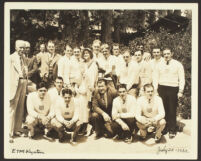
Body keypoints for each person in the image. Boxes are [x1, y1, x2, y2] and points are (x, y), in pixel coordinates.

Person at [153, 47, 185, 138]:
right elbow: (155, 78)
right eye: (165, 54)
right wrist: (155, 90)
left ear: (172, 53)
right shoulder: (159, 65)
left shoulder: (178, 64)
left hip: (173, 88)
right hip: (162, 88)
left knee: (172, 109)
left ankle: (172, 129)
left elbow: (182, 78)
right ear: (163, 55)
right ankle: (165, 128)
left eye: (168, 53)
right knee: (163, 109)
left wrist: (180, 91)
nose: (166, 56)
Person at [9, 40, 28, 143]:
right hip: (14, 84)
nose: (22, 50)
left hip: (23, 83)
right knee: (12, 108)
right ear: (16, 48)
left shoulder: (24, 58)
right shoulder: (10, 58)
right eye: (20, 48)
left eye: (23, 48)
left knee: (20, 106)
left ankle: (17, 129)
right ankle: (8, 133)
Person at [76, 48, 98, 135]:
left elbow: (93, 78)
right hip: (82, 87)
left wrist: (89, 90)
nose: (85, 55)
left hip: (89, 88)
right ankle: (82, 125)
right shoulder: (82, 64)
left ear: (90, 54)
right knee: (81, 107)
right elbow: (79, 77)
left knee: (87, 108)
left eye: (87, 53)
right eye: (84, 53)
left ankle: (88, 127)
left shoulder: (94, 65)